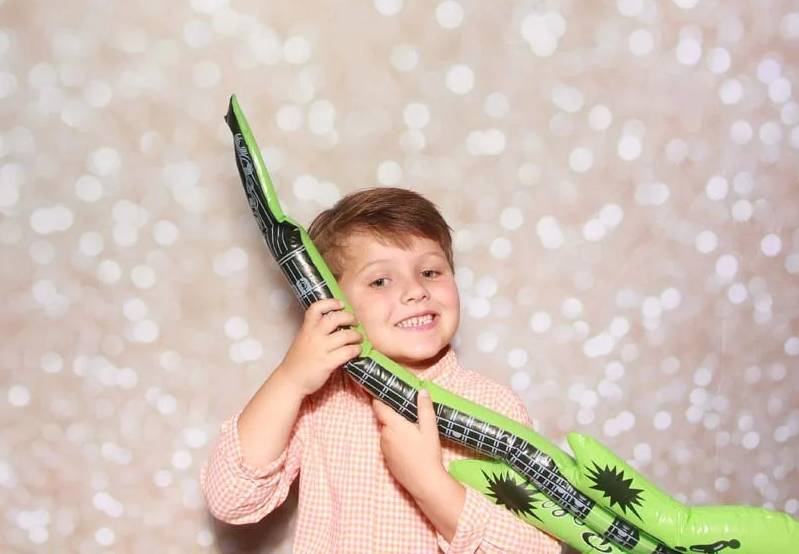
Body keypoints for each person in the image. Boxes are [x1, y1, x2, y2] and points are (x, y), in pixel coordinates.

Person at [201, 187, 564, 553]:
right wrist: (289, 380)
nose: (415, 291)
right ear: (333, 301)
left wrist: (430, 484)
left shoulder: (494, 406)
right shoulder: (319, 401)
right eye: (380, 280)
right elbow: (232, 498)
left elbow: (538, 547)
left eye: (430, 271)